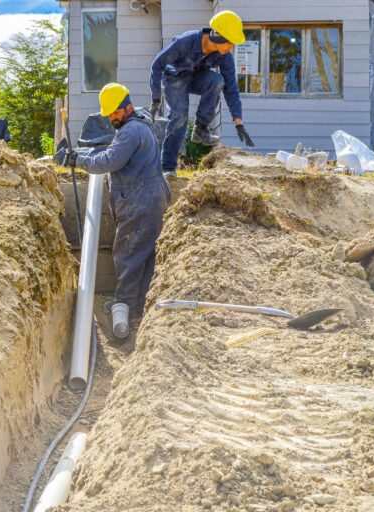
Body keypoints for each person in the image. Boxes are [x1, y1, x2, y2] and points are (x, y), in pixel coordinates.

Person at [65, 83, 170, 338]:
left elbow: (109, 161)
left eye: (115, 112)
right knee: (144, 255)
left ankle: (126, 307)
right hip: (149, 197)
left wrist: (79, 160)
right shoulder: (140, 123)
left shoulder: (130, 132)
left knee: (128, 253)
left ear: (128, 107)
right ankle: (137, 305)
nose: (111, 117)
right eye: (109, 113)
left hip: (139, 202)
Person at [149, 10, 255, 175]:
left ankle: (201, 128)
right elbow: (157, 64)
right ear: (218, 36)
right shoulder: (186, 42)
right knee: (179, 117)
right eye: (230, 42)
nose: (231, 47)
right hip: (173, 78)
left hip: (196, 76)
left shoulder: (224, 56)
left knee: (217, 81)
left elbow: (231, 87)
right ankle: (168, 167)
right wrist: (156, 98)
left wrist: (238, 121)